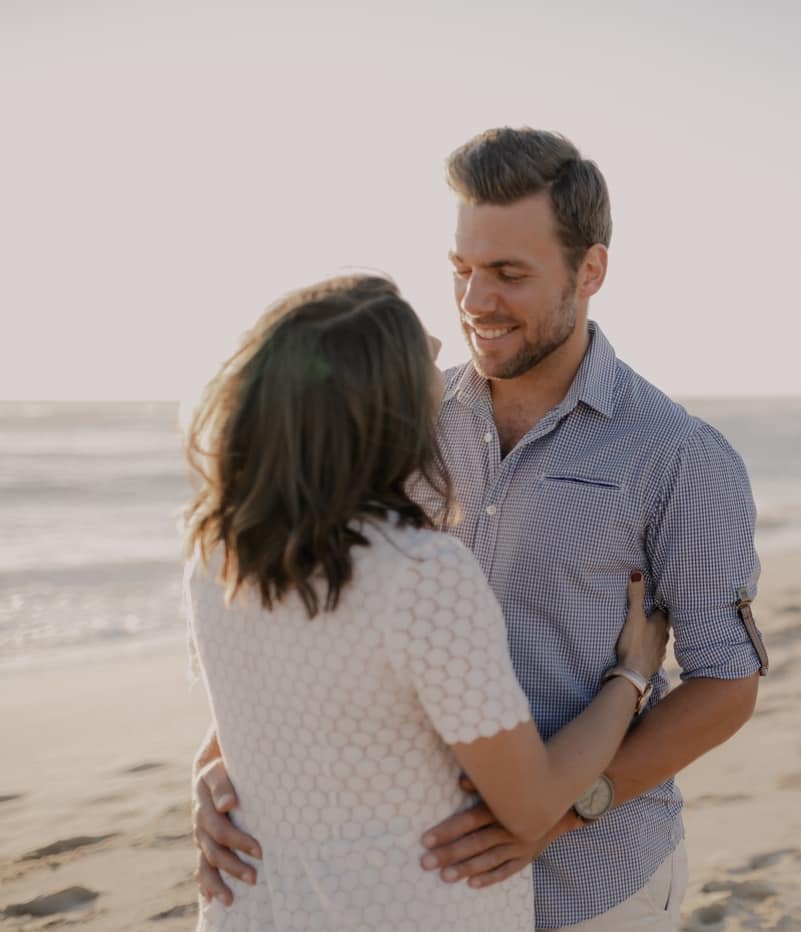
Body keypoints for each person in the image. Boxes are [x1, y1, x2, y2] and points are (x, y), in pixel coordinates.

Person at [193, 128, 769, 931]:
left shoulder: (678, 456)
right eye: (461, 270)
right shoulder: (399, 420)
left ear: (590, 270)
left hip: (597, 886)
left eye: (508, 274)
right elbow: (309, 607)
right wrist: (222, 767)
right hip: (414, 892)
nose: (472, 302)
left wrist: (564, 814)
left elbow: (725, 683)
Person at [184, 275, 669, 931]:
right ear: (389, 412)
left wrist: (207, 774)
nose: (446, 355)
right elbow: (528, 807)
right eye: (424, 355)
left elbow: (252, 731)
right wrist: (632, 676)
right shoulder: (419, 574)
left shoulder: (220, 553)